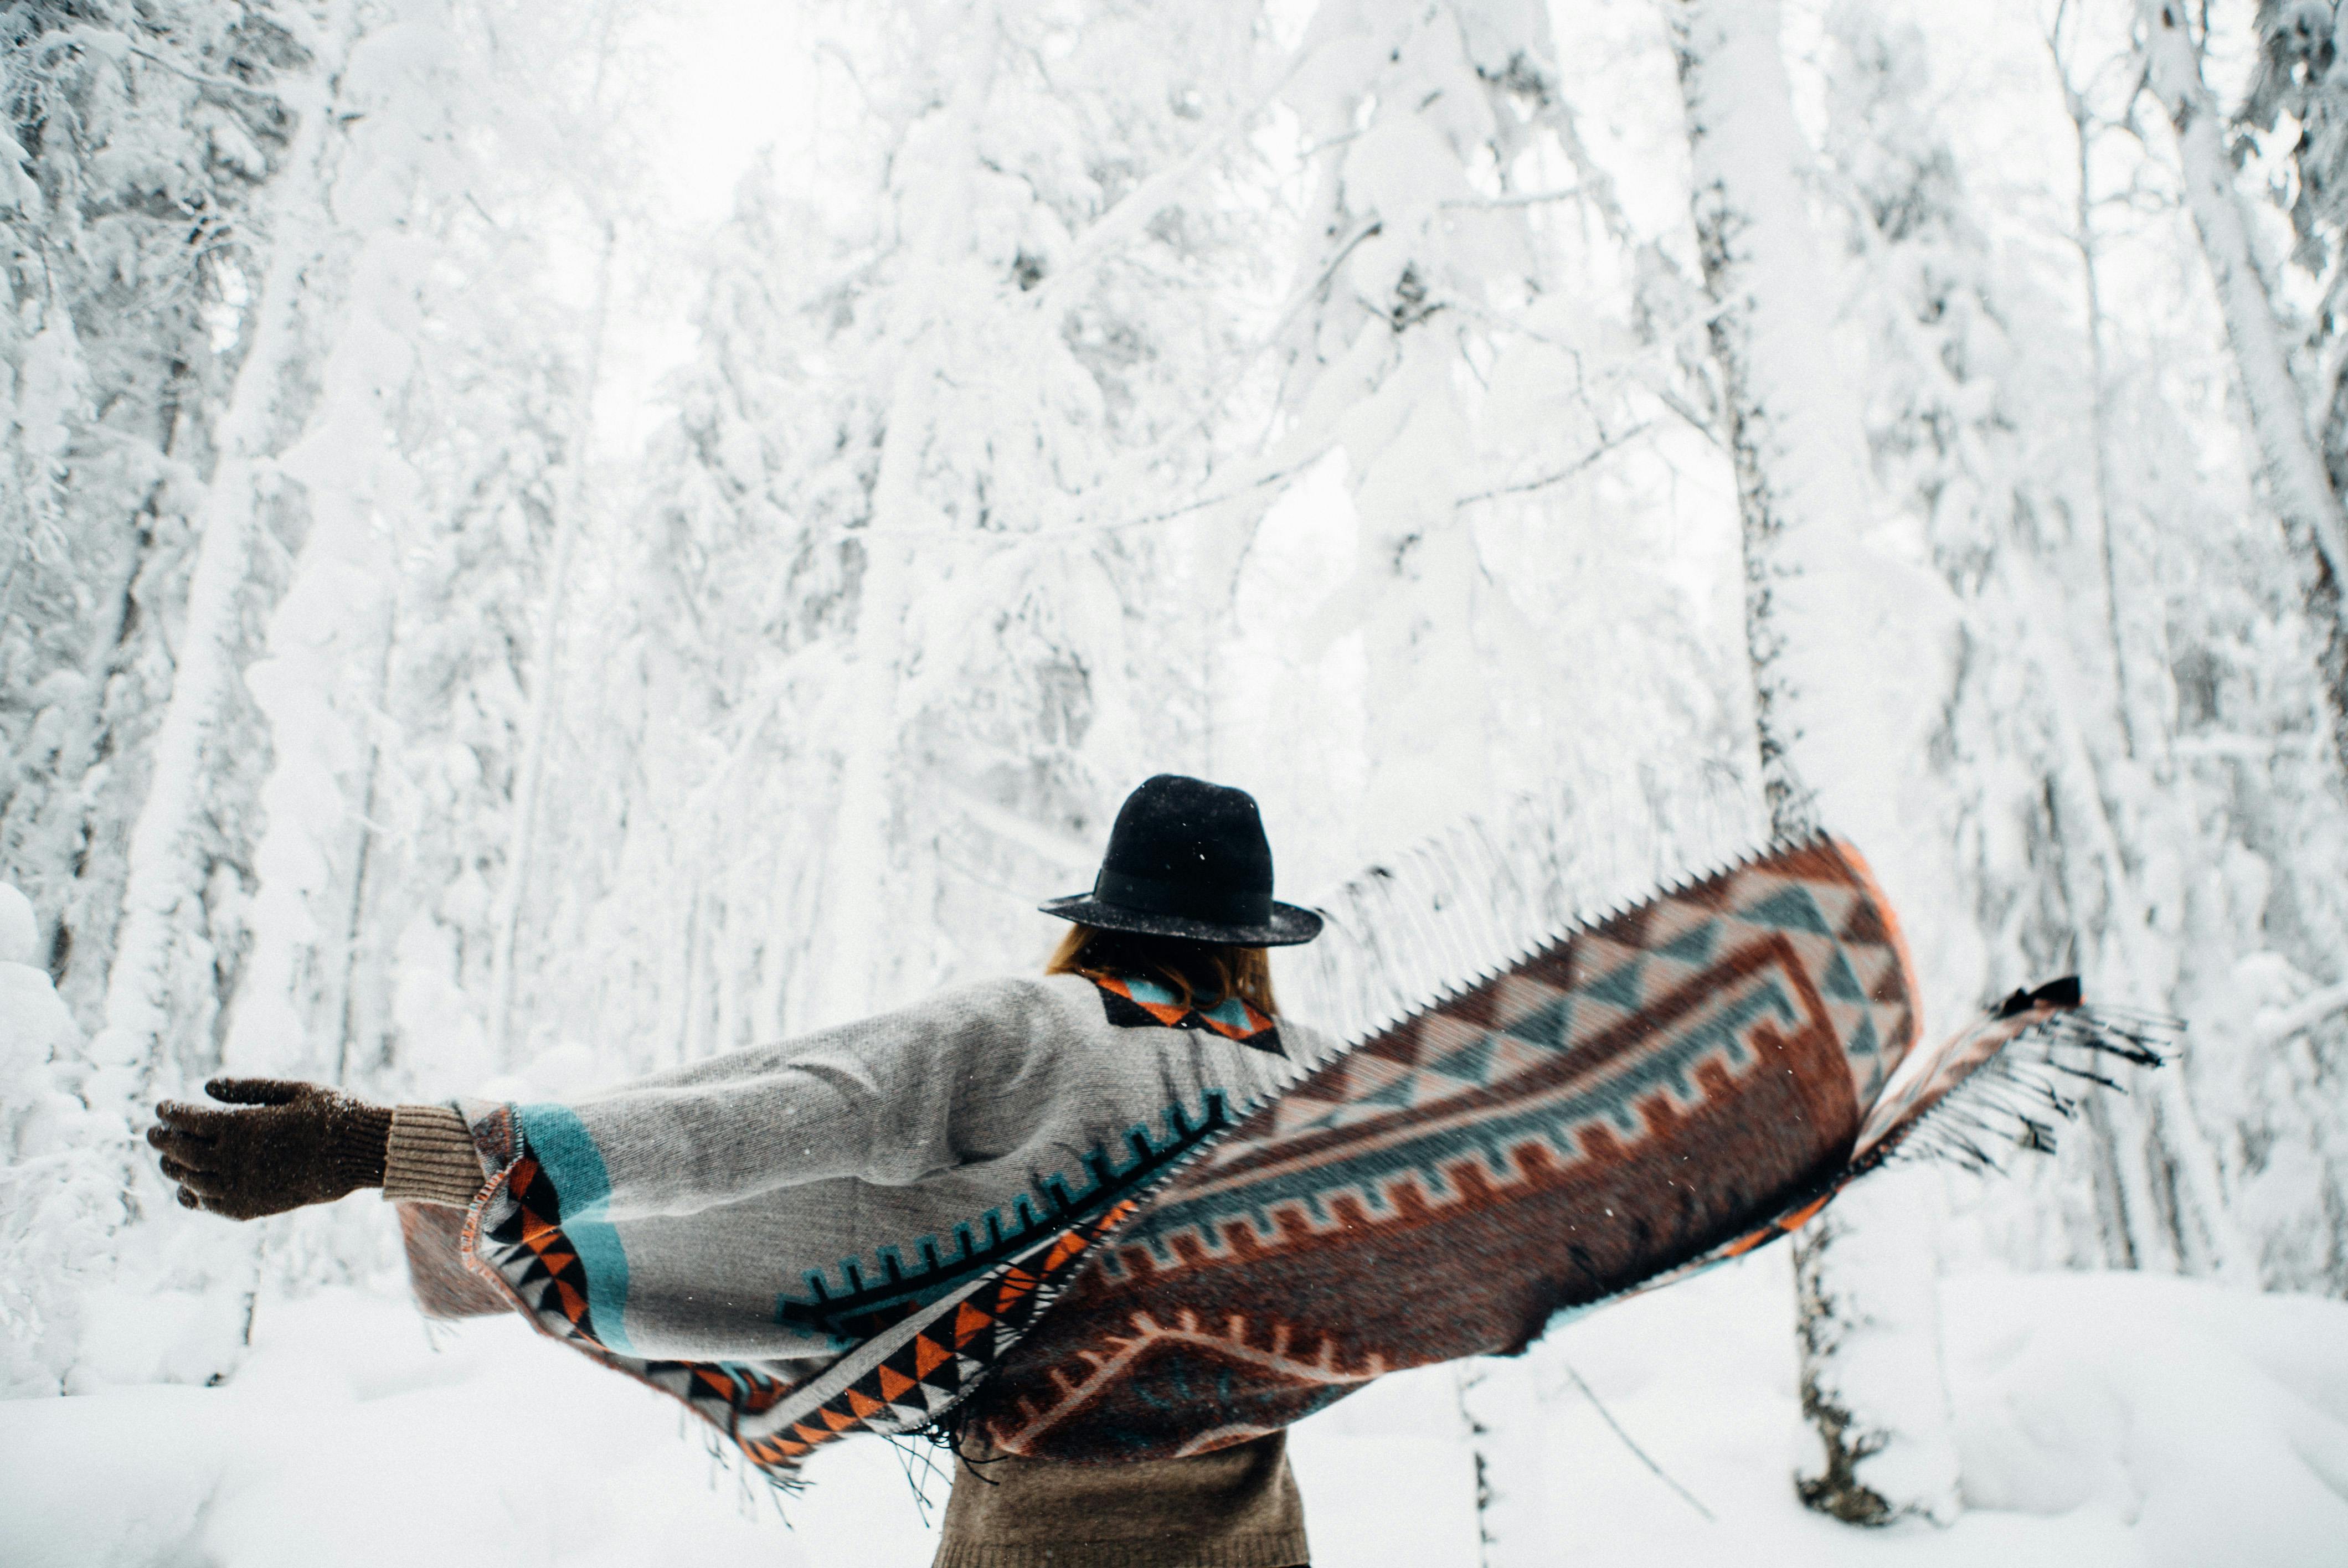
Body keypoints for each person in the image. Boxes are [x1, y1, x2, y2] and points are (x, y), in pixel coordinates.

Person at [148, 773, 1329, 1568]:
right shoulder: (1329, 1089)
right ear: (1251, 938)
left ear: (1102, 917)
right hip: (1259, 1540)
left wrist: (378, 1147)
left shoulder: (1036, 1030)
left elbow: (753, 1123)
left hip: (1034, 1540)